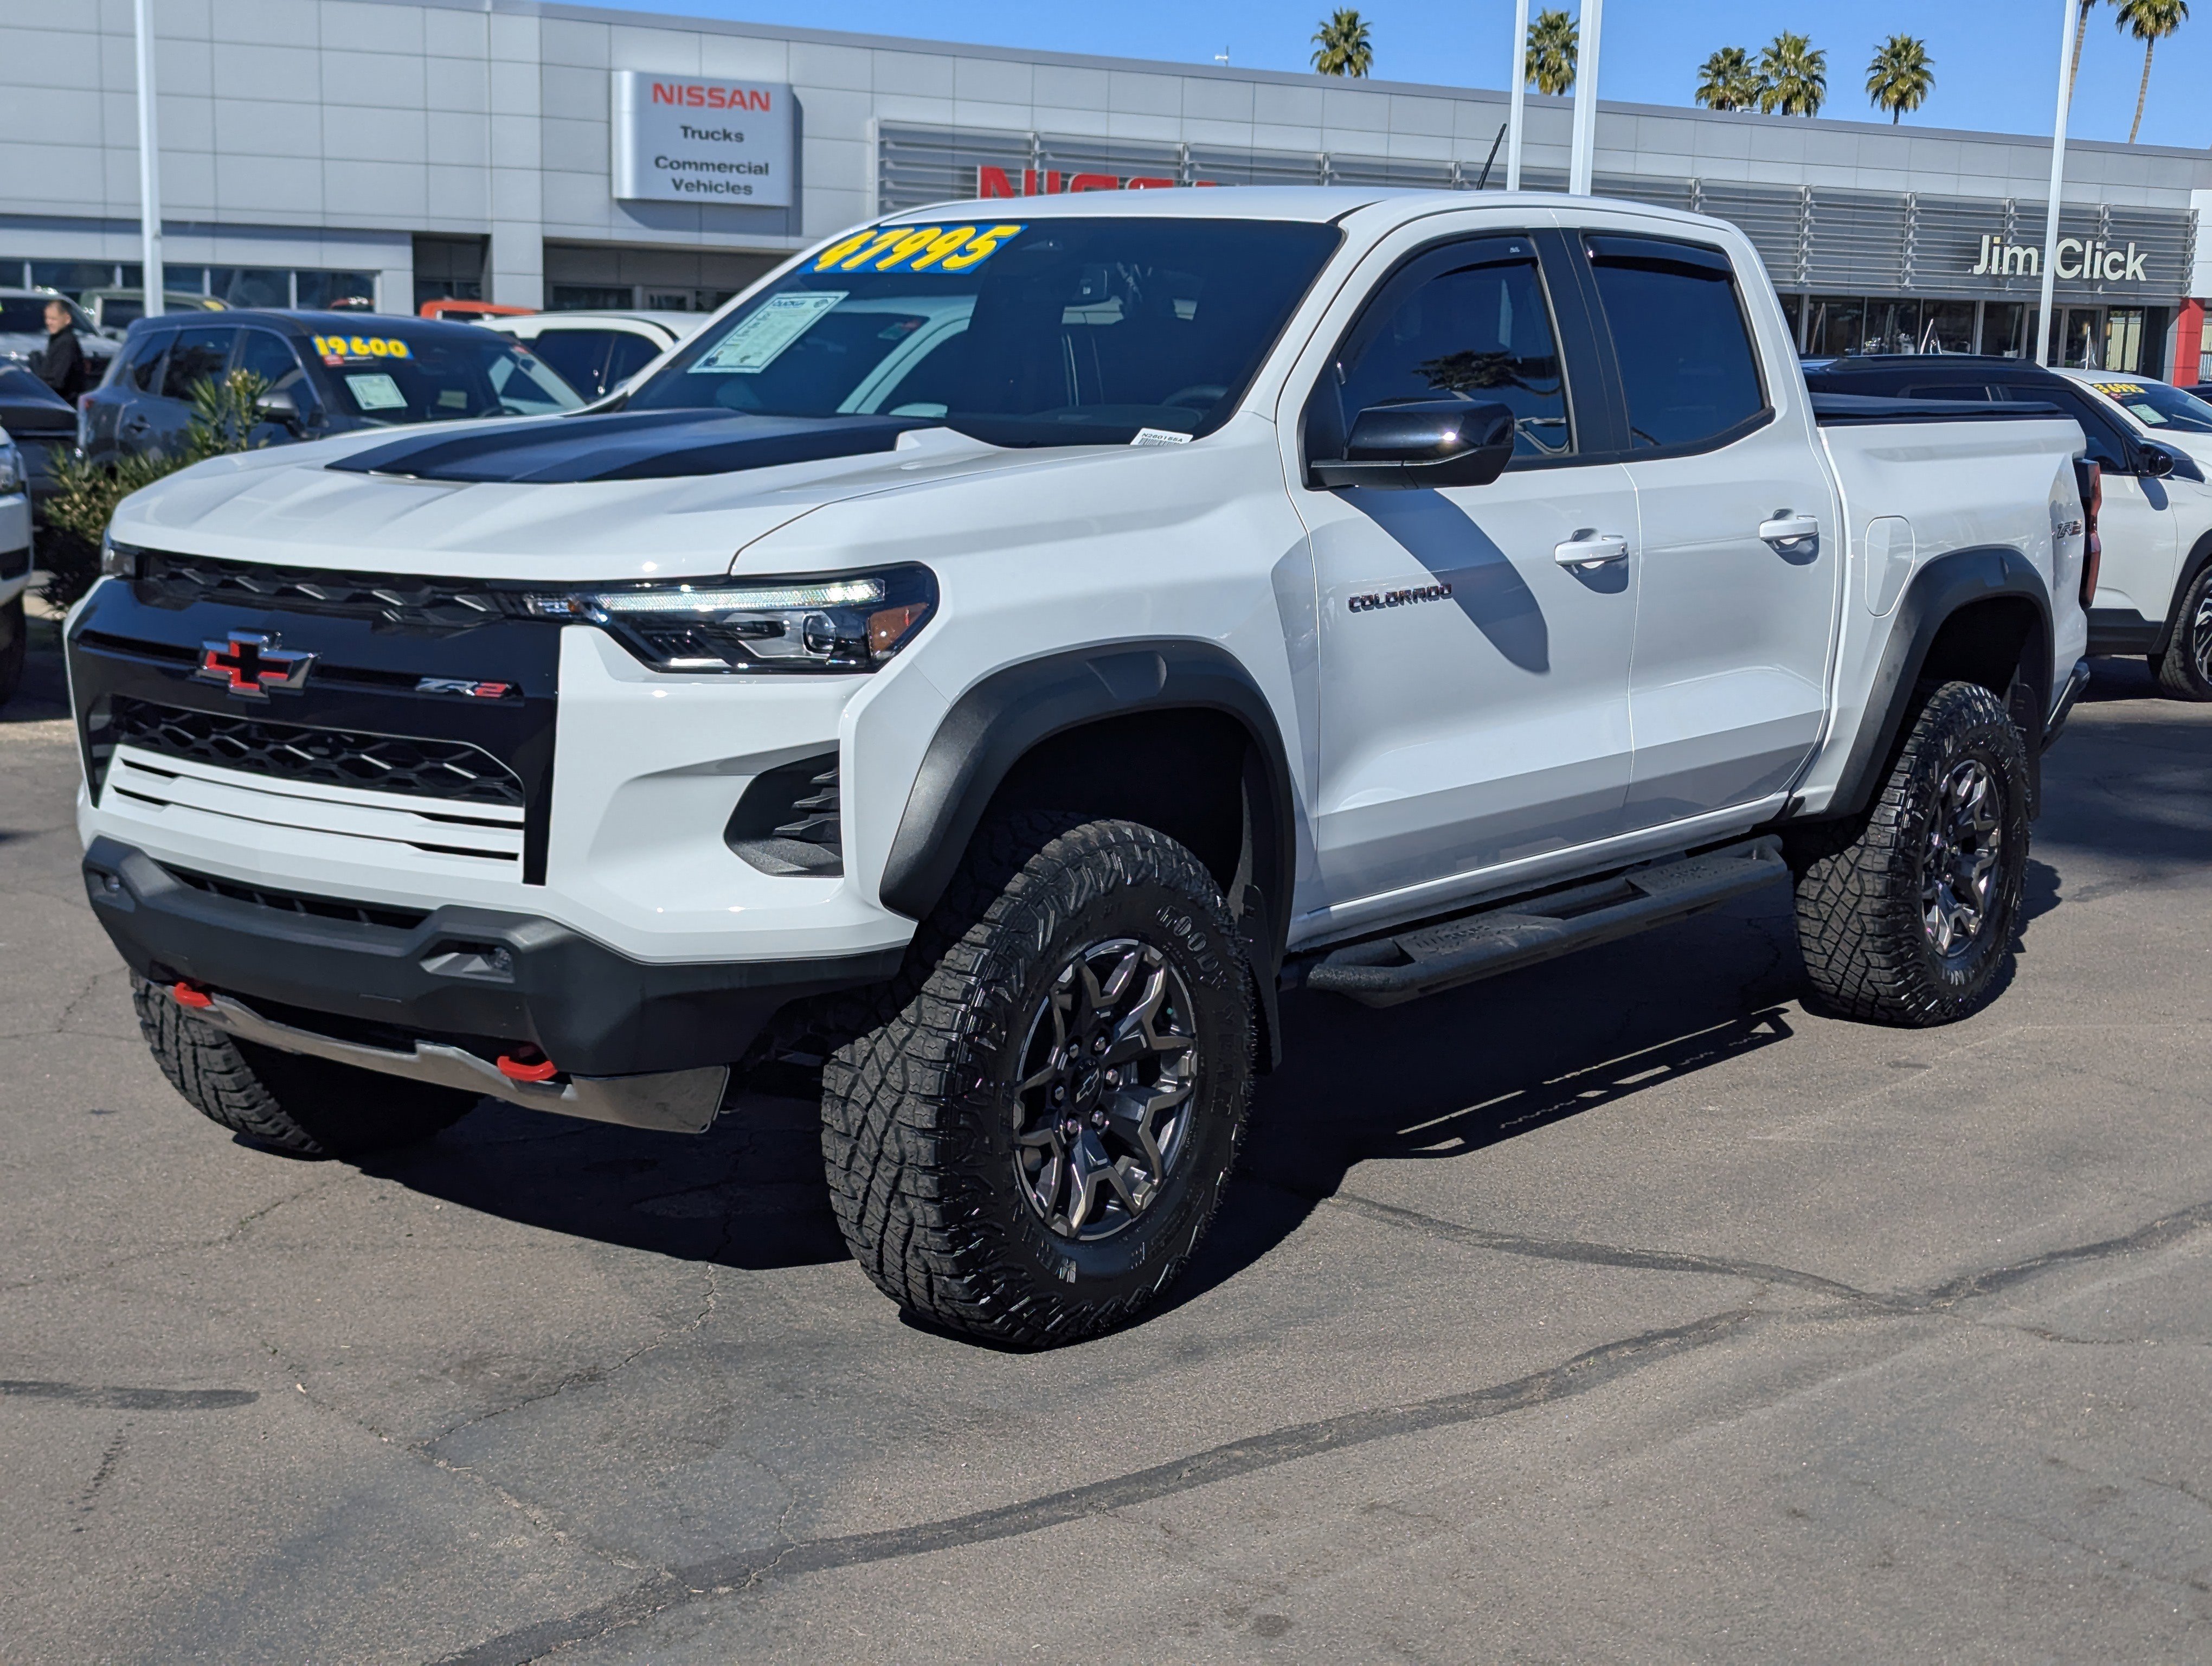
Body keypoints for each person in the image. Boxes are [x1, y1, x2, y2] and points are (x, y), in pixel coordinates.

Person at [33, 298, 87, 402]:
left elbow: (58, 380)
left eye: (53, 319)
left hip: (64, 401)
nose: (49, 322)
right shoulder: (57, 339)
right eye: (47, 318)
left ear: (67, 319)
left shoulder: (67, 343)